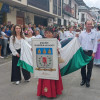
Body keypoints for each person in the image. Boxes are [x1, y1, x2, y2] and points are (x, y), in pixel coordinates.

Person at [37, 27, 63, 98]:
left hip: (53, 62)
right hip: (44, 62)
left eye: (49, 33)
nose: (48, 34)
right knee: (44, 75)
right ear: (45, 34)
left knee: (53, 75)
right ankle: (43, 92)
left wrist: (58, 49)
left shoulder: (56, 41)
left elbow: (60, 48)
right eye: (47, 33)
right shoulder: (41, 41)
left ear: (52, 34)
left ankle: (53, 91)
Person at [79, 20, 97, 87]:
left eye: (90, 24)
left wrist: (94, 52)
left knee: (89, 68)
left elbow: (95, 44)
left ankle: (87, 81)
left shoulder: (94, 33)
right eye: (88, 24)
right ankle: (83, 80)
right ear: (85, 25)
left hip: (90, 53)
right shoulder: (82, 33)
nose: (89, 25)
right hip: (83, 52)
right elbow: (79, 42)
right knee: (82, 67)